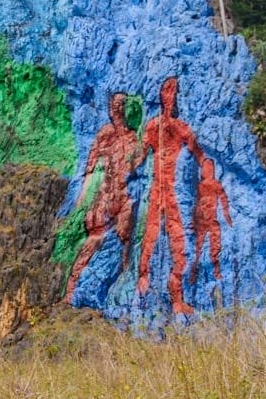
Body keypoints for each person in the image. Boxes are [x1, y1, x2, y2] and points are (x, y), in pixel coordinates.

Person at [63, 93, 142, 302]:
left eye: (121, 104)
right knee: (92, 242)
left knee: (125, 242)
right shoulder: (105, 134)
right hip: (105, 200)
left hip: (123, 199)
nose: (116, 109)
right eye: (113, 105)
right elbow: (89, 169)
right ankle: (71, 291)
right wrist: (80, 201)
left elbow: (135, 169)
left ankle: (126, 287)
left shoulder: (133, 139)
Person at [137, 77, 204, 315]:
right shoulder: (152, 126)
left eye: (174, 90)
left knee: (179, 242)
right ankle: (142, 278)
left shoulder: (182, 128)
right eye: (166, 89)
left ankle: (177, 296)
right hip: (157, 191)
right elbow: (139, 157)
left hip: (176, 193)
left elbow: (201, 158)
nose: (171, 94)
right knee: (151, 237)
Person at [190, 158, 230, 285]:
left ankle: (217, 273)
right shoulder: (200, 186)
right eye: (205, 168)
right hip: (201, 222)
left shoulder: (215, 184)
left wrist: (227, 215)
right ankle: (193, 273)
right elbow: (195, 204)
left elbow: (224, 200)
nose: (207, 170)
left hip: (212, 221)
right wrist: (193, 221)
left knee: (215, 249)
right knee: (197, 250)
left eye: (209, 168)